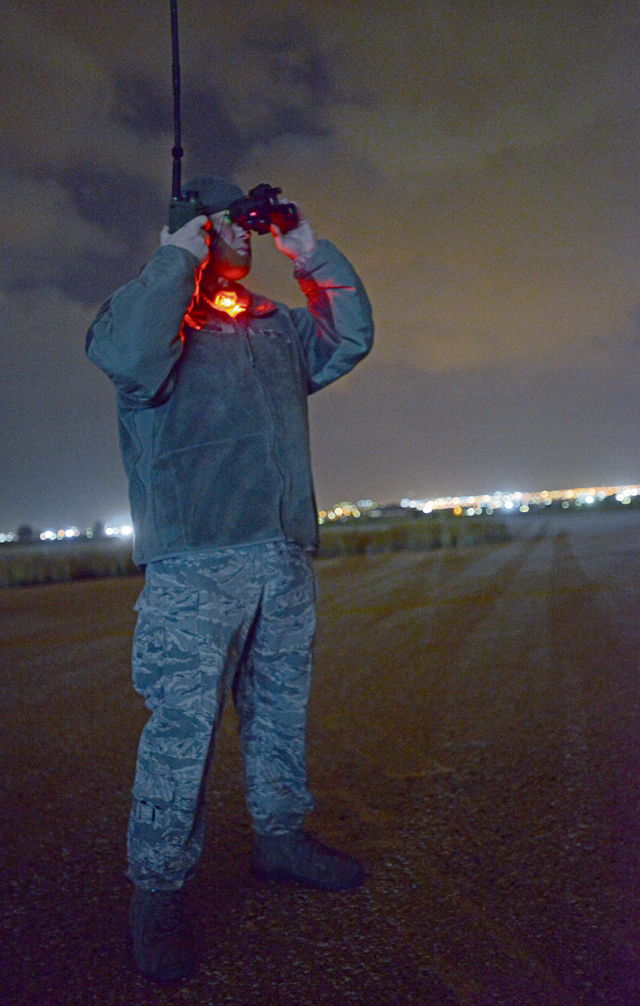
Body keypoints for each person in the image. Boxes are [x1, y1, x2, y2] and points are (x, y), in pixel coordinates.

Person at [86, 176, 374, 982]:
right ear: (191, 237)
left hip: (279, 556)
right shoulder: (150, 325)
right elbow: (127, 359)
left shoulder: (274, 329)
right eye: (226, 226)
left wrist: (305, 247)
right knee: (182, 734)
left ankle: (280, 840)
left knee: (280, 709)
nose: (242, 237)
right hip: (193, 565)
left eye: (243, 226)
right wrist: (179, 250)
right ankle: (158, 892)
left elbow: (347, 339)